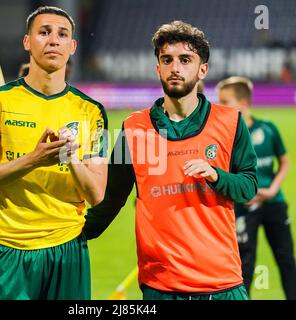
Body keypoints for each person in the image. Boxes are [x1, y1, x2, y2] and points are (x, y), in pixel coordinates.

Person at [83, 20, 257, 300]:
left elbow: (248, 187)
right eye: (167, 60)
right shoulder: (132, 129)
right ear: (158, 68)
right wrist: (74, 235)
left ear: (203, 69)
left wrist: (216, 175)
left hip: (223, 283)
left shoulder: (231, 122)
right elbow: (111, 199)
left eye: (185, 60)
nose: (175, 68)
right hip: (162, 287)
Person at [0, 6, 108, 300]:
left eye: (62, 34)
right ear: (27, 42)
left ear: (72, 47)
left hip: (68, 249)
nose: (53, 40)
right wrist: (34, 159)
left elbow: (96, 195)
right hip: (8, 251)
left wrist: (71, 160)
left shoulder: (92, 112)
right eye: (44, 32)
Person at [216, 76, 296, 300]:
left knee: (286, 259)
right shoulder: (222, 137)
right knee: (244, 265)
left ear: (243, 104)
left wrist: (273, 189)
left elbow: (284, 161)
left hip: (274, 203)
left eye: (224, 101)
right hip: (244, 207)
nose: (218, 106)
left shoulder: (268, 128)